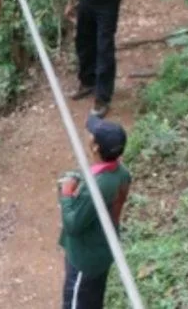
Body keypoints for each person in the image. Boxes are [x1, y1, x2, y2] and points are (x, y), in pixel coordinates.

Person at [58, 114, 132, 309]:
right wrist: (77, 176)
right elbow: (97, 176)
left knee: (76, 302)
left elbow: (73, 225)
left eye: (92, 135)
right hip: (102, 250)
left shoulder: (97, 187)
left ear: (96, 147)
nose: (89, 135)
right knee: (92, 301)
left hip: (85, 259)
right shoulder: (121, 172)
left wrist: (66, 194)